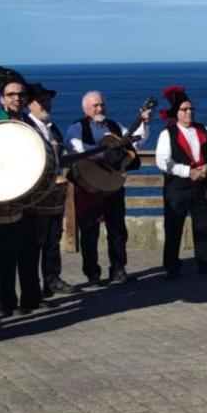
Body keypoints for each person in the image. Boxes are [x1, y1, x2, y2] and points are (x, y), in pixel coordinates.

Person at [64, 90, 150, 285]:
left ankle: (118, 269)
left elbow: (135, 142)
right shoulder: (77, 127)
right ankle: (92, 273)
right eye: (95, 105)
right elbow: (74, 147)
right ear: (85, 108)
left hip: (112, 183)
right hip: (89, 184)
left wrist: (143, 122)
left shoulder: (112, 125)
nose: (100, 108)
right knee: (89, 230)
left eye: (102, 104)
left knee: (118, 228)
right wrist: (103, 154)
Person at [155, 85, 207, 280]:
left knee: (203, 225)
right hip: (177, 188)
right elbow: (162, 161)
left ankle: (206, 261)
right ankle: (172, 266)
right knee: (174, 227)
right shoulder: (167, 134)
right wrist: (187, 172)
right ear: (176, 113)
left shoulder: (203, 129)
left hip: (201, 185)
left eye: (191, 109)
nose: (189, 112)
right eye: (184, 109)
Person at [0, 65, 42, 316]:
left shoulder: (29, 123)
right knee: (7, 254)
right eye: (11, 95)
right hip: (7, 197)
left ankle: (31, 298)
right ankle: (6, 303)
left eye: (20, 94)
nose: (16, 98)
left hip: (30, 196)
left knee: (30, 250)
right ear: (2, 99)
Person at [25, 82, 78, 296]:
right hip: (35, 191)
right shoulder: (26, 125)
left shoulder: (52, 126)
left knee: (53, 237)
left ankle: (52, 279)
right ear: (31, 104)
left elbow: (62, 155)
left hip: (53, 191)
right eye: (41, 101)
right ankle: (34, 287)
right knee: (35, 240)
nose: (46, 104)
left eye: (48, 100)